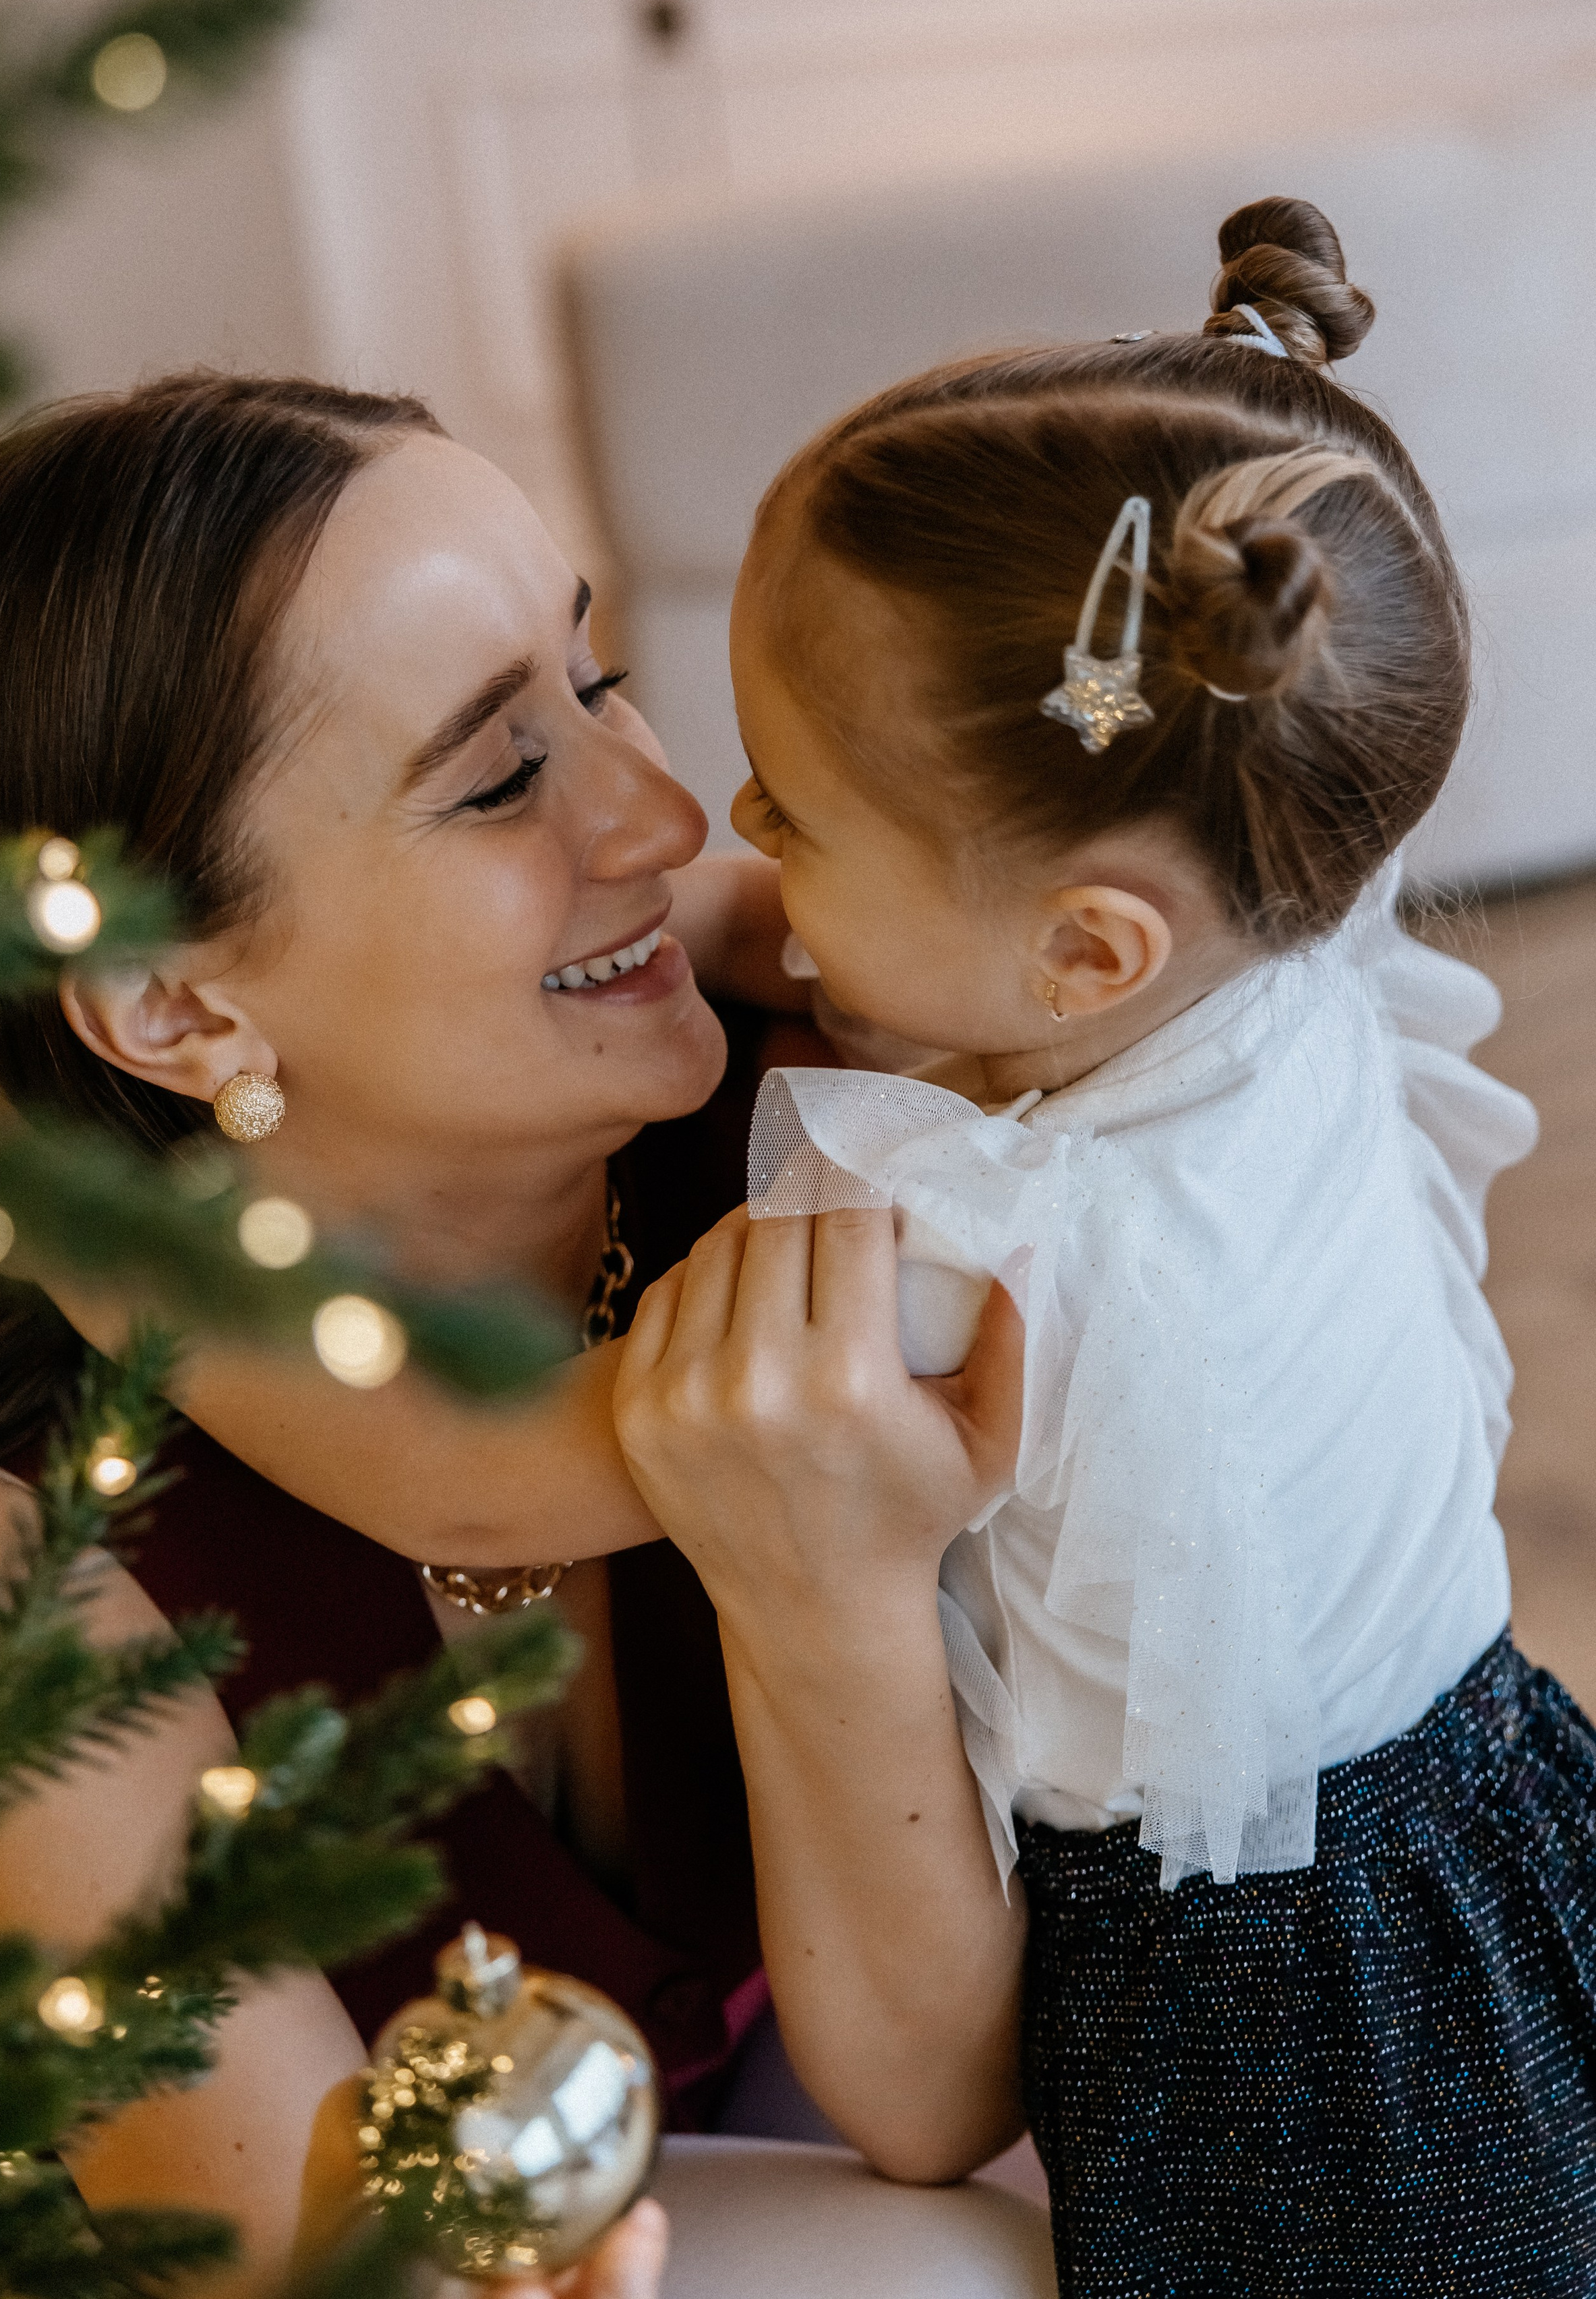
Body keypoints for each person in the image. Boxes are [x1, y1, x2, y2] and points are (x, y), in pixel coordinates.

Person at [0, 375, 1040, 2291]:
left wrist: (830, 1591)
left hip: (834, 2124)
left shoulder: (819, 1138)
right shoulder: (12, 1565)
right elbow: (315, 2254)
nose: (669, 812)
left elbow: (935, 2100)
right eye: (499, 777)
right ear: (168, 1007)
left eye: (597, 677)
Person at [611, 199, 1596, 2291]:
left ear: (1082, 950)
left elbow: (661, 1433)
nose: (731, 836)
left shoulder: (953, 1234)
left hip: (1277, 2036)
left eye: (789, 803)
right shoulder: (1295, 886)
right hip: (1504, 1824)